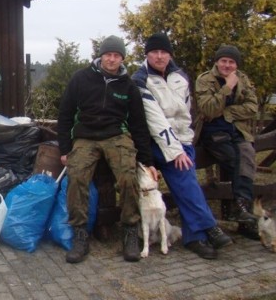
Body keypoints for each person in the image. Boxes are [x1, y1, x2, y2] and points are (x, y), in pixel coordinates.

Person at [132, 33, 233, 259]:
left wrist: (185, 144)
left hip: (180, 140)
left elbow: (186, 114)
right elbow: (155, 119)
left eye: (164, 52)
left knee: (186, 181)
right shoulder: (140, 81)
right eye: (154, 52)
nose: (159, 56)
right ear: (147, 54)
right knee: (185, 176)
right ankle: (207, 229)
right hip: (156, 143)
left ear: (170, 54)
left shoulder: (180, 77)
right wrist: (175, 150)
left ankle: (196, 235)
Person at [58, 35, 157, 264]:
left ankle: (130, 231)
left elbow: (138, 125)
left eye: (116, 55)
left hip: (116, 136)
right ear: (100, 56)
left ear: (122, 58)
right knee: (77, 176)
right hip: (85, 136)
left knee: (127, 177)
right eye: (108, 55)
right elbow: (64, 114)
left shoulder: (128, 86)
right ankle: (80, 234)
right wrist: (65, 148)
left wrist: (147, 161)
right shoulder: (80, 79)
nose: (112, 59)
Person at [194, 44, 260, 239]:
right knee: (233, 160)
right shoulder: (205, 80)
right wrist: (227, 88)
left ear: (236, 65)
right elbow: (208, 110)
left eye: (231, 62)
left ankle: (242, 212)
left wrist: (229, 112)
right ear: (217, 62)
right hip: (213, 131)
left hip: (237, 130)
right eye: (224, 61)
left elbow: (252, 106)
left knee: (247, 158)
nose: (227, 65)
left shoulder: (244, 79)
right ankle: (240, 211)